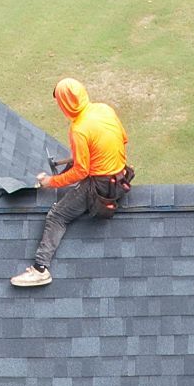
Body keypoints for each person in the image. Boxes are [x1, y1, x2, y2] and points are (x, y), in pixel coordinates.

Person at [10, 79, 131, 289]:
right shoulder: (104, 109)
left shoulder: (79, 129)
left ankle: (40, 269)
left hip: (101, 186)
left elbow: (81, 171)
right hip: (120, 177)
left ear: (65, 103)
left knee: (57, 215)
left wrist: (51, 182)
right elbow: (123, 139)